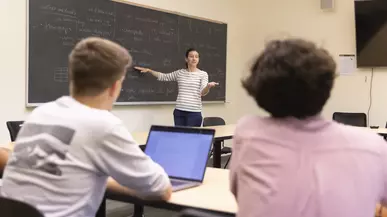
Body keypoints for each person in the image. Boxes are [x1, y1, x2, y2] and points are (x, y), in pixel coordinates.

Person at [1, 37, 172, 217]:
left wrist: (94, 178)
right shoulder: (104, 125)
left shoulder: (41, 113)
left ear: (72, 78)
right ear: (115, 87)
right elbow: (162, 188)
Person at [229, 38, 387, 217]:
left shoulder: (247, 133)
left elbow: (238, 193)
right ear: (327, 85)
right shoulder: (374, 147)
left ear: (259, 89)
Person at [134, 48, 218, 127]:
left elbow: (203, 92)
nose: (194, 59)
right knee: (179, 138)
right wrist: (149, 70)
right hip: (179, 111)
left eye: (196, 57)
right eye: (191, 56)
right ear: (186, 59)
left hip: (194, 113)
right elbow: (164, 76)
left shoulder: (203, 74)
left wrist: (208, 86)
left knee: (191, 139)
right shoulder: (180, 73)